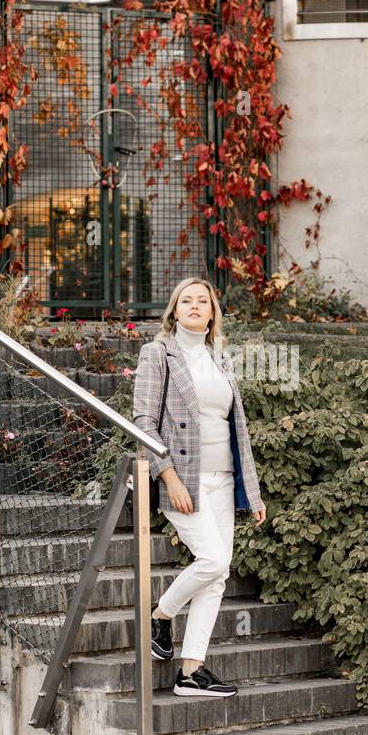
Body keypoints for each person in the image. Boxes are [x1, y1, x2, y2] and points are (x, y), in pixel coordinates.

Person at [131, 277, 266, 697]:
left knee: (218, 575)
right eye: (185, 300)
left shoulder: (219, 356)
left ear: (211, 311)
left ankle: (191, 671)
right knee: (212, 560)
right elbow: (143, 423)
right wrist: (168, 476)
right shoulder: (158, 353)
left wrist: (252, 491)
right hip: (185, 480)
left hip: (224, 480)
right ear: (174, 311)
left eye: (202, 301)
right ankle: (160, 615)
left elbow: (236, 429)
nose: (194, 306)